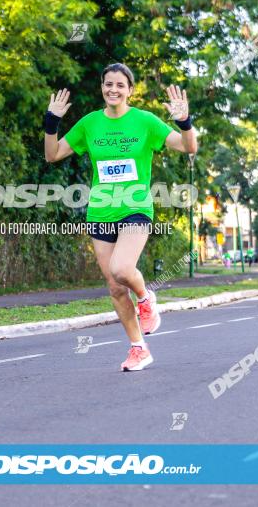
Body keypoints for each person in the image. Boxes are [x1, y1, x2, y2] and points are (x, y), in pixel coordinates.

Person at [44, 63, 198, 371]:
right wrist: (51, 123)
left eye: (120, 85)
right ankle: (138, 347)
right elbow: (53, 154)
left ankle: (145, 297)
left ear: (130, 90)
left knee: (121, 268)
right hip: (101, 210)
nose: (113, 89)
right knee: (115, 287)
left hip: (135, 208)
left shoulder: (145, 121)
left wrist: (184, 121)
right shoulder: (90, 124)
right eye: (108, 84)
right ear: (102, 87)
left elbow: (187, 146)